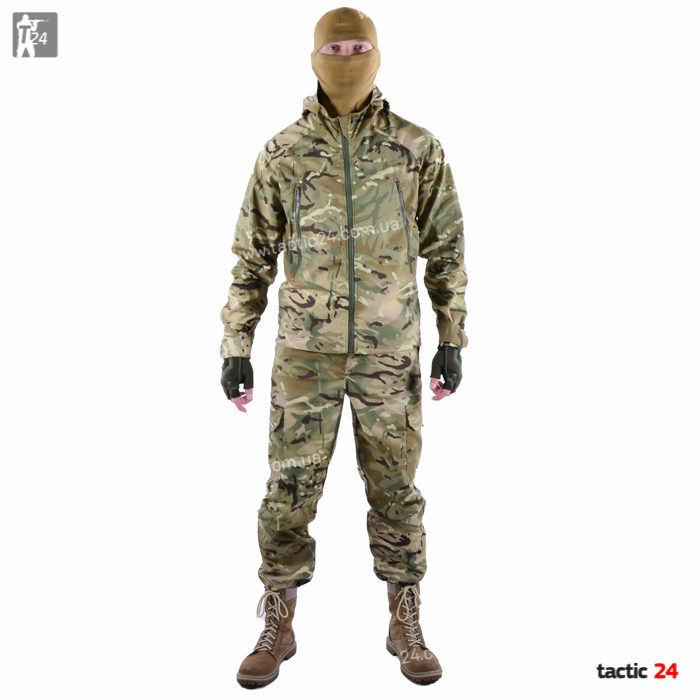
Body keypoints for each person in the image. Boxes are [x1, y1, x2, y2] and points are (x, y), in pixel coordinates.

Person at [219, 7, 467, 687]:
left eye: (359, 47)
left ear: (377, 54)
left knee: (396, 487)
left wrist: (452, 336)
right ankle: (278, 618)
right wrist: (236, 342)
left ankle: (405, 618)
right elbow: (251, 256)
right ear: (315, 57)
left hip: (391, 353)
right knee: (289, 488)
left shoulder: (416, 148)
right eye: (336, 48)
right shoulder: (283, 152)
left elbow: (447, 248)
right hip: (306, 355)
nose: (347, 57)